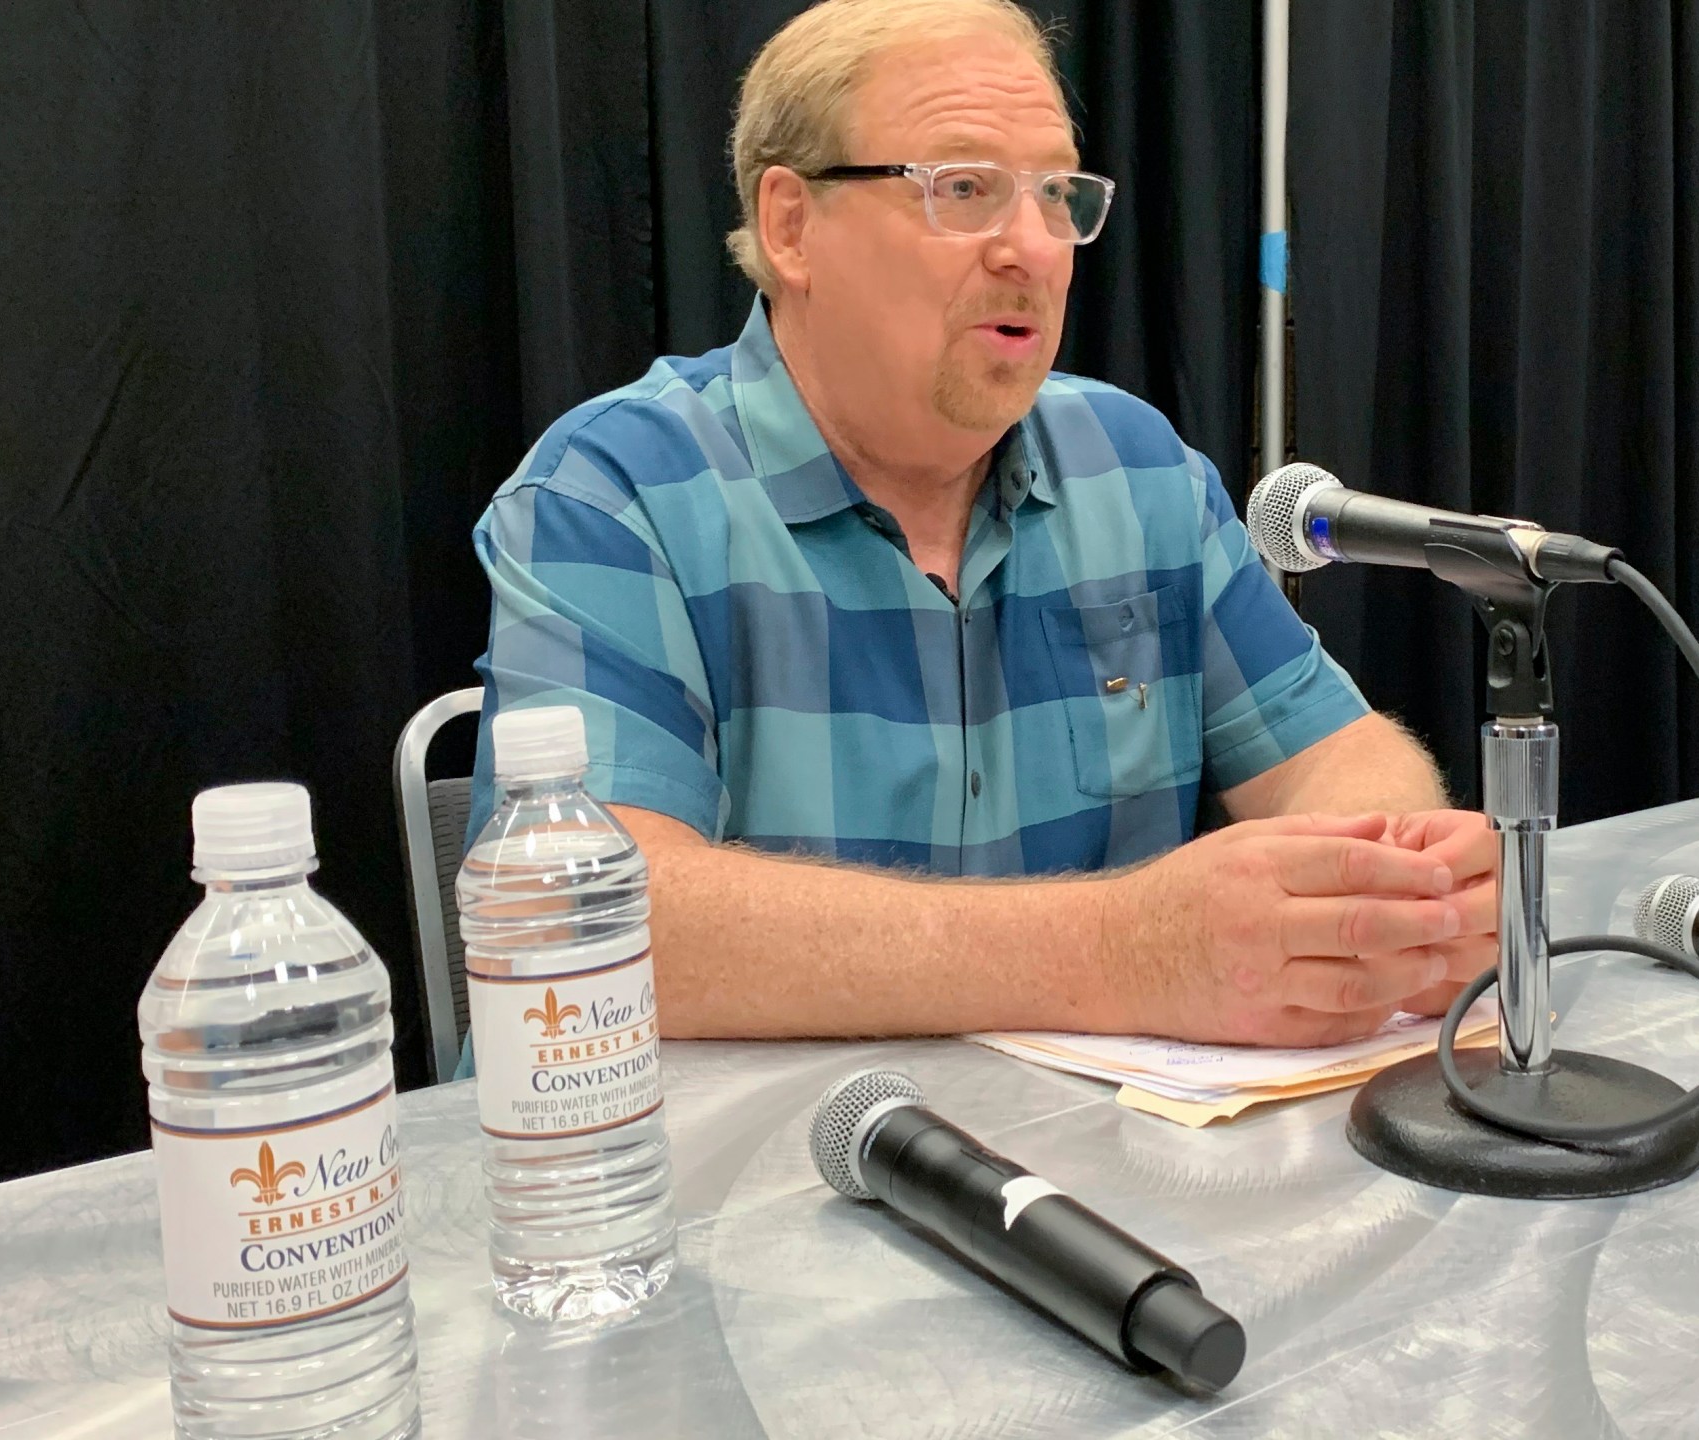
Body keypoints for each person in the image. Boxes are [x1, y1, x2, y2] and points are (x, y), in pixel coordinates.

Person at [469, 0, 1496, 1047]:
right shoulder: (614, 492)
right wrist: (1122, 952)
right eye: (962, 189)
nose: (1032, 248)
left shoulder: (1132, 464)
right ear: (791, 226)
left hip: (1071, 1167)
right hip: (717, 1184)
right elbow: (588, 916)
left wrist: (1391, 885)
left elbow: (1335, 753)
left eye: (1056, 194)